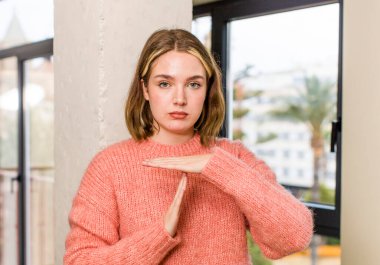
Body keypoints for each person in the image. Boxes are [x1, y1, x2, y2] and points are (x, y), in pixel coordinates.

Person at [64, 28, 313, 265]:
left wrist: (220, 168)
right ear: (145, 89)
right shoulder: (110, 166)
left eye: (194, 84)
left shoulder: (233, 157)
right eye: (165, 84)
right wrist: (158, 236)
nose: (180, 99)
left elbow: (294, 237)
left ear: (207, 90)